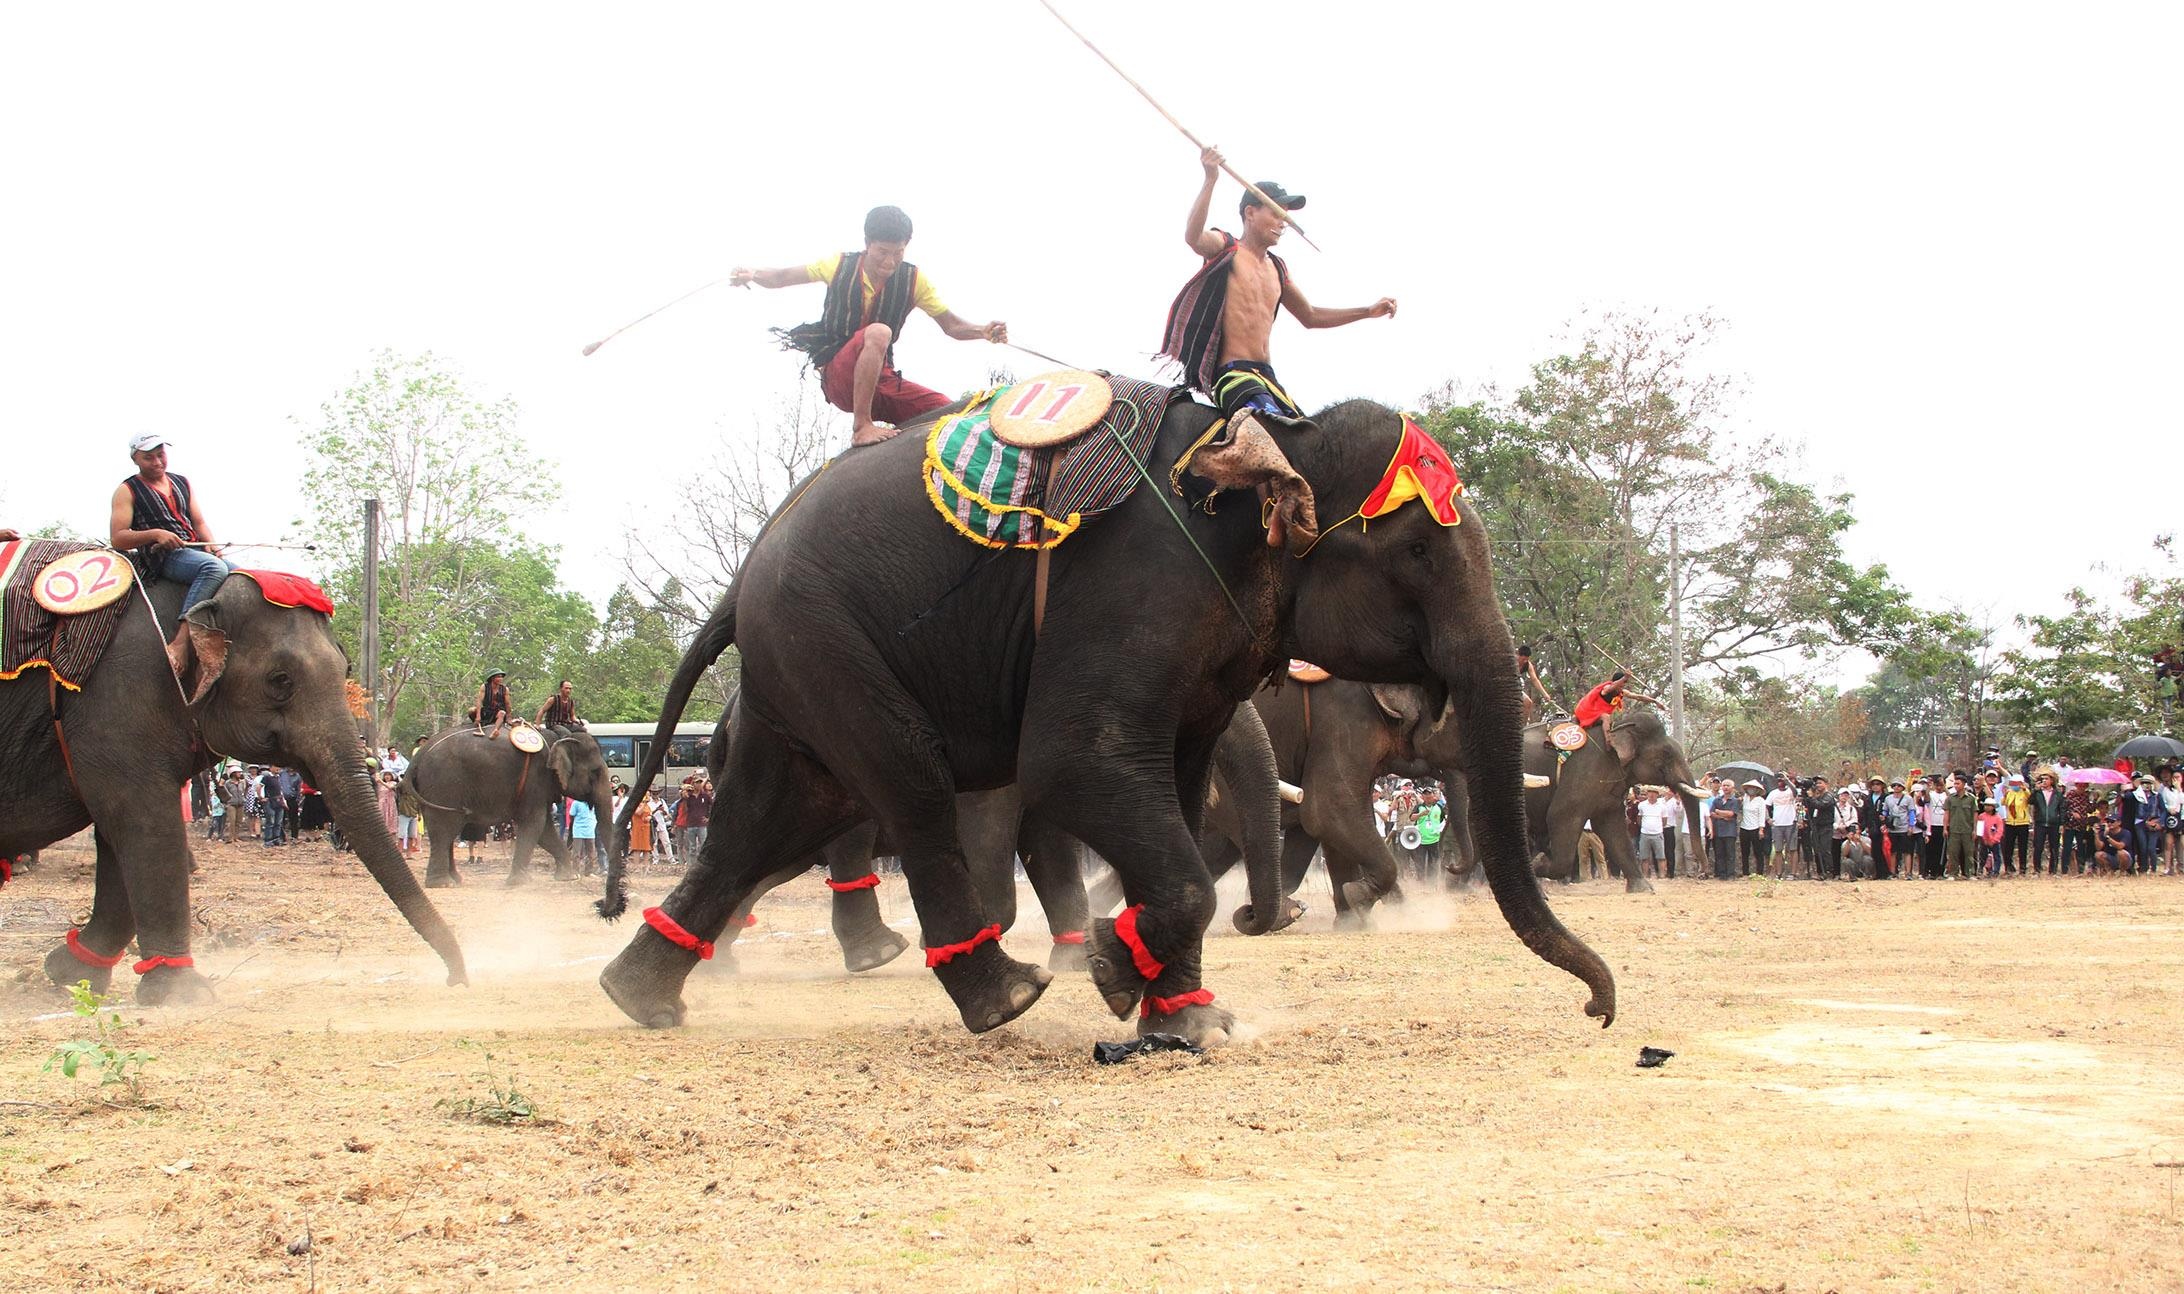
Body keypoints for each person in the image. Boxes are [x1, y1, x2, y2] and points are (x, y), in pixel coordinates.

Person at [1160, 147, 1395, 441]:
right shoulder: (1228, 248)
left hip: (1267, 378)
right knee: (1271, 433)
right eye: (1277, 212)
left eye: (1286, 216)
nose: (1283, 222)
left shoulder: (1278, 269)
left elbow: (1310, 316)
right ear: (1250, 212)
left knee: (1309, 444)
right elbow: (1193, 237)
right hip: (1234, 375)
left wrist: (1367, 311)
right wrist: (1210, 178)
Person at [735, 205, 1006, 445]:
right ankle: (862, 426)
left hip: (882, 381)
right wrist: (753, 274)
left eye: (897, 253)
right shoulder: (839, 265)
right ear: (867, 243)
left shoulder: (914, 281)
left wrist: (982, 331)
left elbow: (951, 325)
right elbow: (782, 277)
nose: (889, 262)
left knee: (952, 414)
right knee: (879, 331)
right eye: (882, 252)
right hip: (840, 376)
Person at [109, 434, 229, 677]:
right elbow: (118, 538)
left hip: (194, 549)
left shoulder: (182, 482)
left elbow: (199, 522)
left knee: (240, 574)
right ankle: (181, 640)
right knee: (214, 569)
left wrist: (214, 547)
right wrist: (155, 534)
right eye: (148, 457)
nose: (157, 462)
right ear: (135, 460)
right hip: (163, 557)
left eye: (160, 454)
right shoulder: (127, 490)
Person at [1572, 671, 1659, 736]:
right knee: (1606, 717)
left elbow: (1638, 697)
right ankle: (1608, 740)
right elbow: (1612, 687)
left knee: (1611, 720)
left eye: (1622, 686)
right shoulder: (1606, 688)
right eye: (1620, 685)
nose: (1621, 688)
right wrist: (1624, 678)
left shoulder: (1621, 692)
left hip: (1598, 718)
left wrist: (1655, 701)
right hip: (1590, 713)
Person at [2030, 769, 2066, 874]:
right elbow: (2030, 801)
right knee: (2038, 847)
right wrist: (2035, 790)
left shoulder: (2057, 794)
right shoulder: (2038, 793)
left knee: (2054, 847)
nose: (2044, 781)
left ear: (2052, 780)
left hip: (2054, 823)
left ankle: (2053, 870)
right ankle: (2037, 870)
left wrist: (2062, 823)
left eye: (2047, 779)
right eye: (2042, 779)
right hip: (2040, 823)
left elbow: (2062, 809)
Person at [1765, 776, 1799, 876]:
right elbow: (1766, 806)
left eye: (1782, 780)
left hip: (1791, 823)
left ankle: (1793, 873)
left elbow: (1795, 792)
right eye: (1779, 780)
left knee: (1793, 849)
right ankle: (1778, 873)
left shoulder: (1790, 791)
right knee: (1778, 849)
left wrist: (1787, 781)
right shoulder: (1773, 793)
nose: (1781, 782)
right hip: (1777, 824)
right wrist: (1768, 819)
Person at [2000, 774, 2032, 875]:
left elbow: (2030, 798)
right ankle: (2008, 867)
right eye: (2012, 784)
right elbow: (2003, 803)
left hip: (2022, 823)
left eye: (2016, 784)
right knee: (2008, 846)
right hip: (2010, 823)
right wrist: (2005, 795)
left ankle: (2022, 868)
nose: (2014, 785)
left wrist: (2024, 788)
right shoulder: (2009, 792)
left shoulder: (2025, 793)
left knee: (2023, 847)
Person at [1634, 787, 1668, 879]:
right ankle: (1645, 875)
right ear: (1647, 793)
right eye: (1650, 792)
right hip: (1645, 834)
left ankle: (1661, 875)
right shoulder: (1642, 805)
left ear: (1657, 794)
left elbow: (1664, 821)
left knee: (1660, 856)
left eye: (1654, 793)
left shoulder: (1662, 806)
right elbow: (1639, 819)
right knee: (1644, 857)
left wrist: (1657, 827)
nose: (1652, 795)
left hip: (1657, 834)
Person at [1708, 780, 1738, 879]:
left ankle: (1730, 874)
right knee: (1719, 854)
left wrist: (1718, 811)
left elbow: (1731, 814)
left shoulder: (1734, 801)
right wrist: (1723, 816)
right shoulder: (1717, 800)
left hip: (1730, 832)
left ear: (1732, 788)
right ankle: (1722, 874)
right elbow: (1711, 813)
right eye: (1724, 785)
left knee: (1730, 854)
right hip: (1718, 831)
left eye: (1728, 785)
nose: (1725, 787)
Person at [1414, 787, 1446, 874]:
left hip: (1435, 840)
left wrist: (1439, 831)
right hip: (1421, 840)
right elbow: (1412, 818)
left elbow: (1443, 820)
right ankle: (1421, 882)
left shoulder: (1439, 807)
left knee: (1434, 863)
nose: (1428, 796)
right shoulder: (1419, 807)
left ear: (1433, 795)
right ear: (1422, 796)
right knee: (1420, 863)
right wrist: (1420, 814)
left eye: (1429, 794)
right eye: (1425, 794)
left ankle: (1432, 882)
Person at [1738, 781, 1768, 876]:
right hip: (1744, 828)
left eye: (1753, 788)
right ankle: (1745, 872)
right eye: (1750, 787)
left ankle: (1759, 872)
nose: (1751, 789)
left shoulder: (1760, 801)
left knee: (1758, 852)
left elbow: (1762, 815)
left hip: (1756, 828)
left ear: (1757, 790)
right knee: (1745, 852)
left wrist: (1761, 829)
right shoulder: (1745, 799)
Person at [475, 670, 512, 741]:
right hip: (486, 711)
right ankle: (477, 723)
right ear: (492, 678)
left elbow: (508, 704)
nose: (501, 679)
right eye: (498, 677)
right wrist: (478, 716)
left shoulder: (505, 689)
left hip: (498, 711)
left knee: (502, 713)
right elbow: (479, 701)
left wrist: (509, 717)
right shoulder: (484, 687)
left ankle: (495, 730)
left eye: (501, 677)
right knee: (471, 710)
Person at [259, 764, 286, 847]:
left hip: (279, 801)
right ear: (271, 768)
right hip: (270, 801)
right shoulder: (267, 777)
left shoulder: (279, 777)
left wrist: (284, 801)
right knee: (270, 821)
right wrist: (261, 797)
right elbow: (259, 787)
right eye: (276, 766)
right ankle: (268, 840)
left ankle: (276, 839)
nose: (278, 768)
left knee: (278, 821)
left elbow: (281, 790)